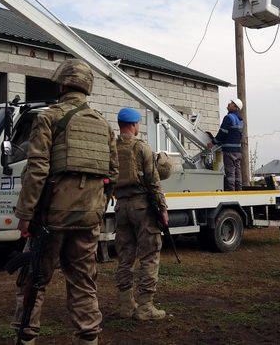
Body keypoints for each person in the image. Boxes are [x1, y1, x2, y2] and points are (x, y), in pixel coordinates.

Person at [13, 59, 119, 345]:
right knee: (84, 281)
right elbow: (113, 173)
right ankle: (88, 338)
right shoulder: (103, 124)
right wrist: (96, 205)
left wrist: (25, 213)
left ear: (62, 85)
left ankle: (26, 337)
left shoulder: (47, 117)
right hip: (89, 217)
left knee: (35, 278)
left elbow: (37, 169)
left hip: (51, 216)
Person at [114, 107, 169, 321]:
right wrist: (162, 209)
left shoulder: (113, 148)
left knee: (125, 257)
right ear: (134, 125)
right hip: (141, 207)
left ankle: (126, 305)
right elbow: (153, 182)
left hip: (121, 207)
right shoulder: (142, 148)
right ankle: (145, 306)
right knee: (149, 255)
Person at [209, 98, 244, 191]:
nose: (229, 104)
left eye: (231, 103)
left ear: (235, 107)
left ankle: (231, 192)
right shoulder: (240, 120)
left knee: (230, 172)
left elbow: (222, 133)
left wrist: (213, 142)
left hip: (229, 151)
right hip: (238, 151)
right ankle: (239, 191)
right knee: (237, 172)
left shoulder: (228, 118)